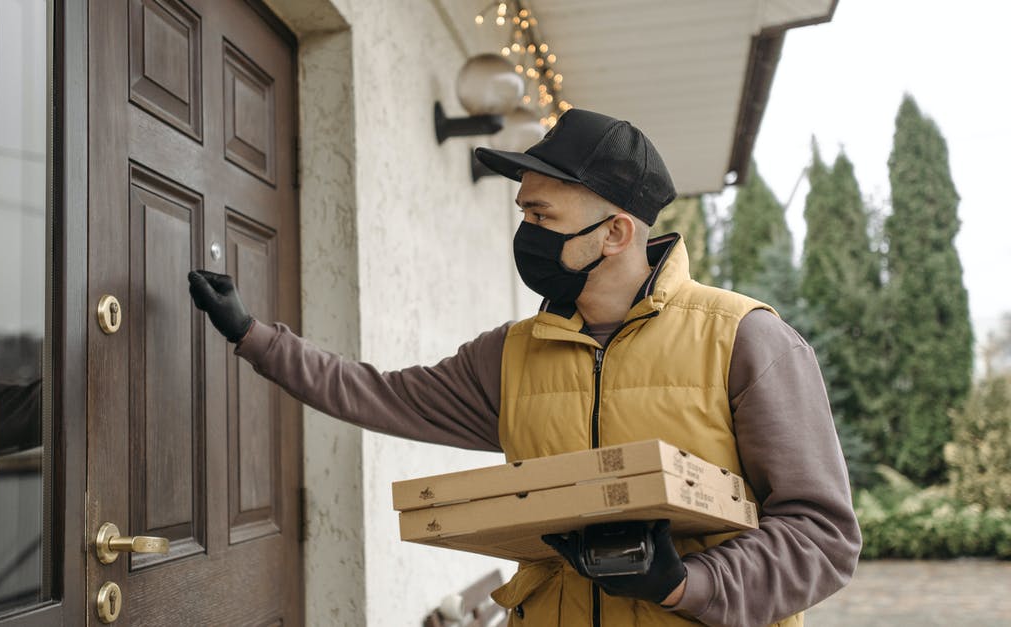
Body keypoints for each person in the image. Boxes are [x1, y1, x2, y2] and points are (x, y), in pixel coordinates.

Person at [188, 109, 861, 627]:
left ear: (617, 232)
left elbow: (823, 536)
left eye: (542, 216)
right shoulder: (510, 352)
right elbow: (378, 393)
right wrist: (252, 336)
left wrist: (684, 582)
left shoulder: (746, 339)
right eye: (523, 215)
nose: (527, 234)